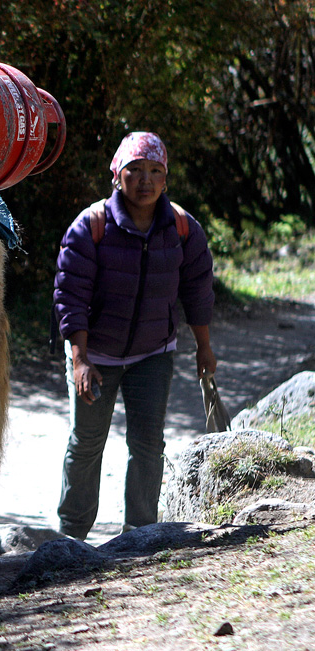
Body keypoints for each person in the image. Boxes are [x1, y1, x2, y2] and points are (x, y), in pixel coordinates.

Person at [53, 132, 217, 540]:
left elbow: (198, 287)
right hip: (96, 356)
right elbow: (70, 295)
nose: (145, 180)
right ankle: (71, 537)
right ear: (116, 176)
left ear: (166, 180)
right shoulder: (90, 226)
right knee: (87, 443)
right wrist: (80, 360)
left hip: (153, 354)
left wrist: (204, 347)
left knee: (147, 444)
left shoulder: (181, 228)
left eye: (155, 171)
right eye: (135, 170)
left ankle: (140, 533)